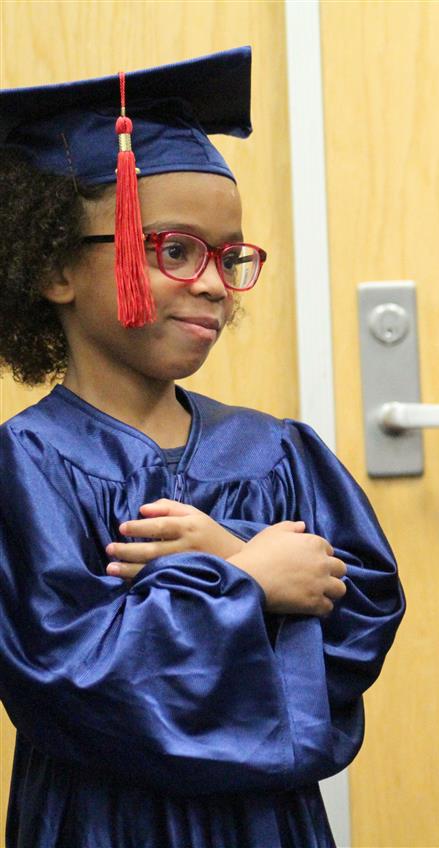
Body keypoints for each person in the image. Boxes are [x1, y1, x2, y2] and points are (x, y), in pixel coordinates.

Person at [0, 47, 404, 847]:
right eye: (175, 250)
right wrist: (246, 582)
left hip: (268, 822)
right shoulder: (27, 467)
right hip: (104, 823)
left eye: (230, 256)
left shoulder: (277, 452)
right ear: (55, 269)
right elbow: (77, 681)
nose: (216, 284)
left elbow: (358, 623)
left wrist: (226, 547)